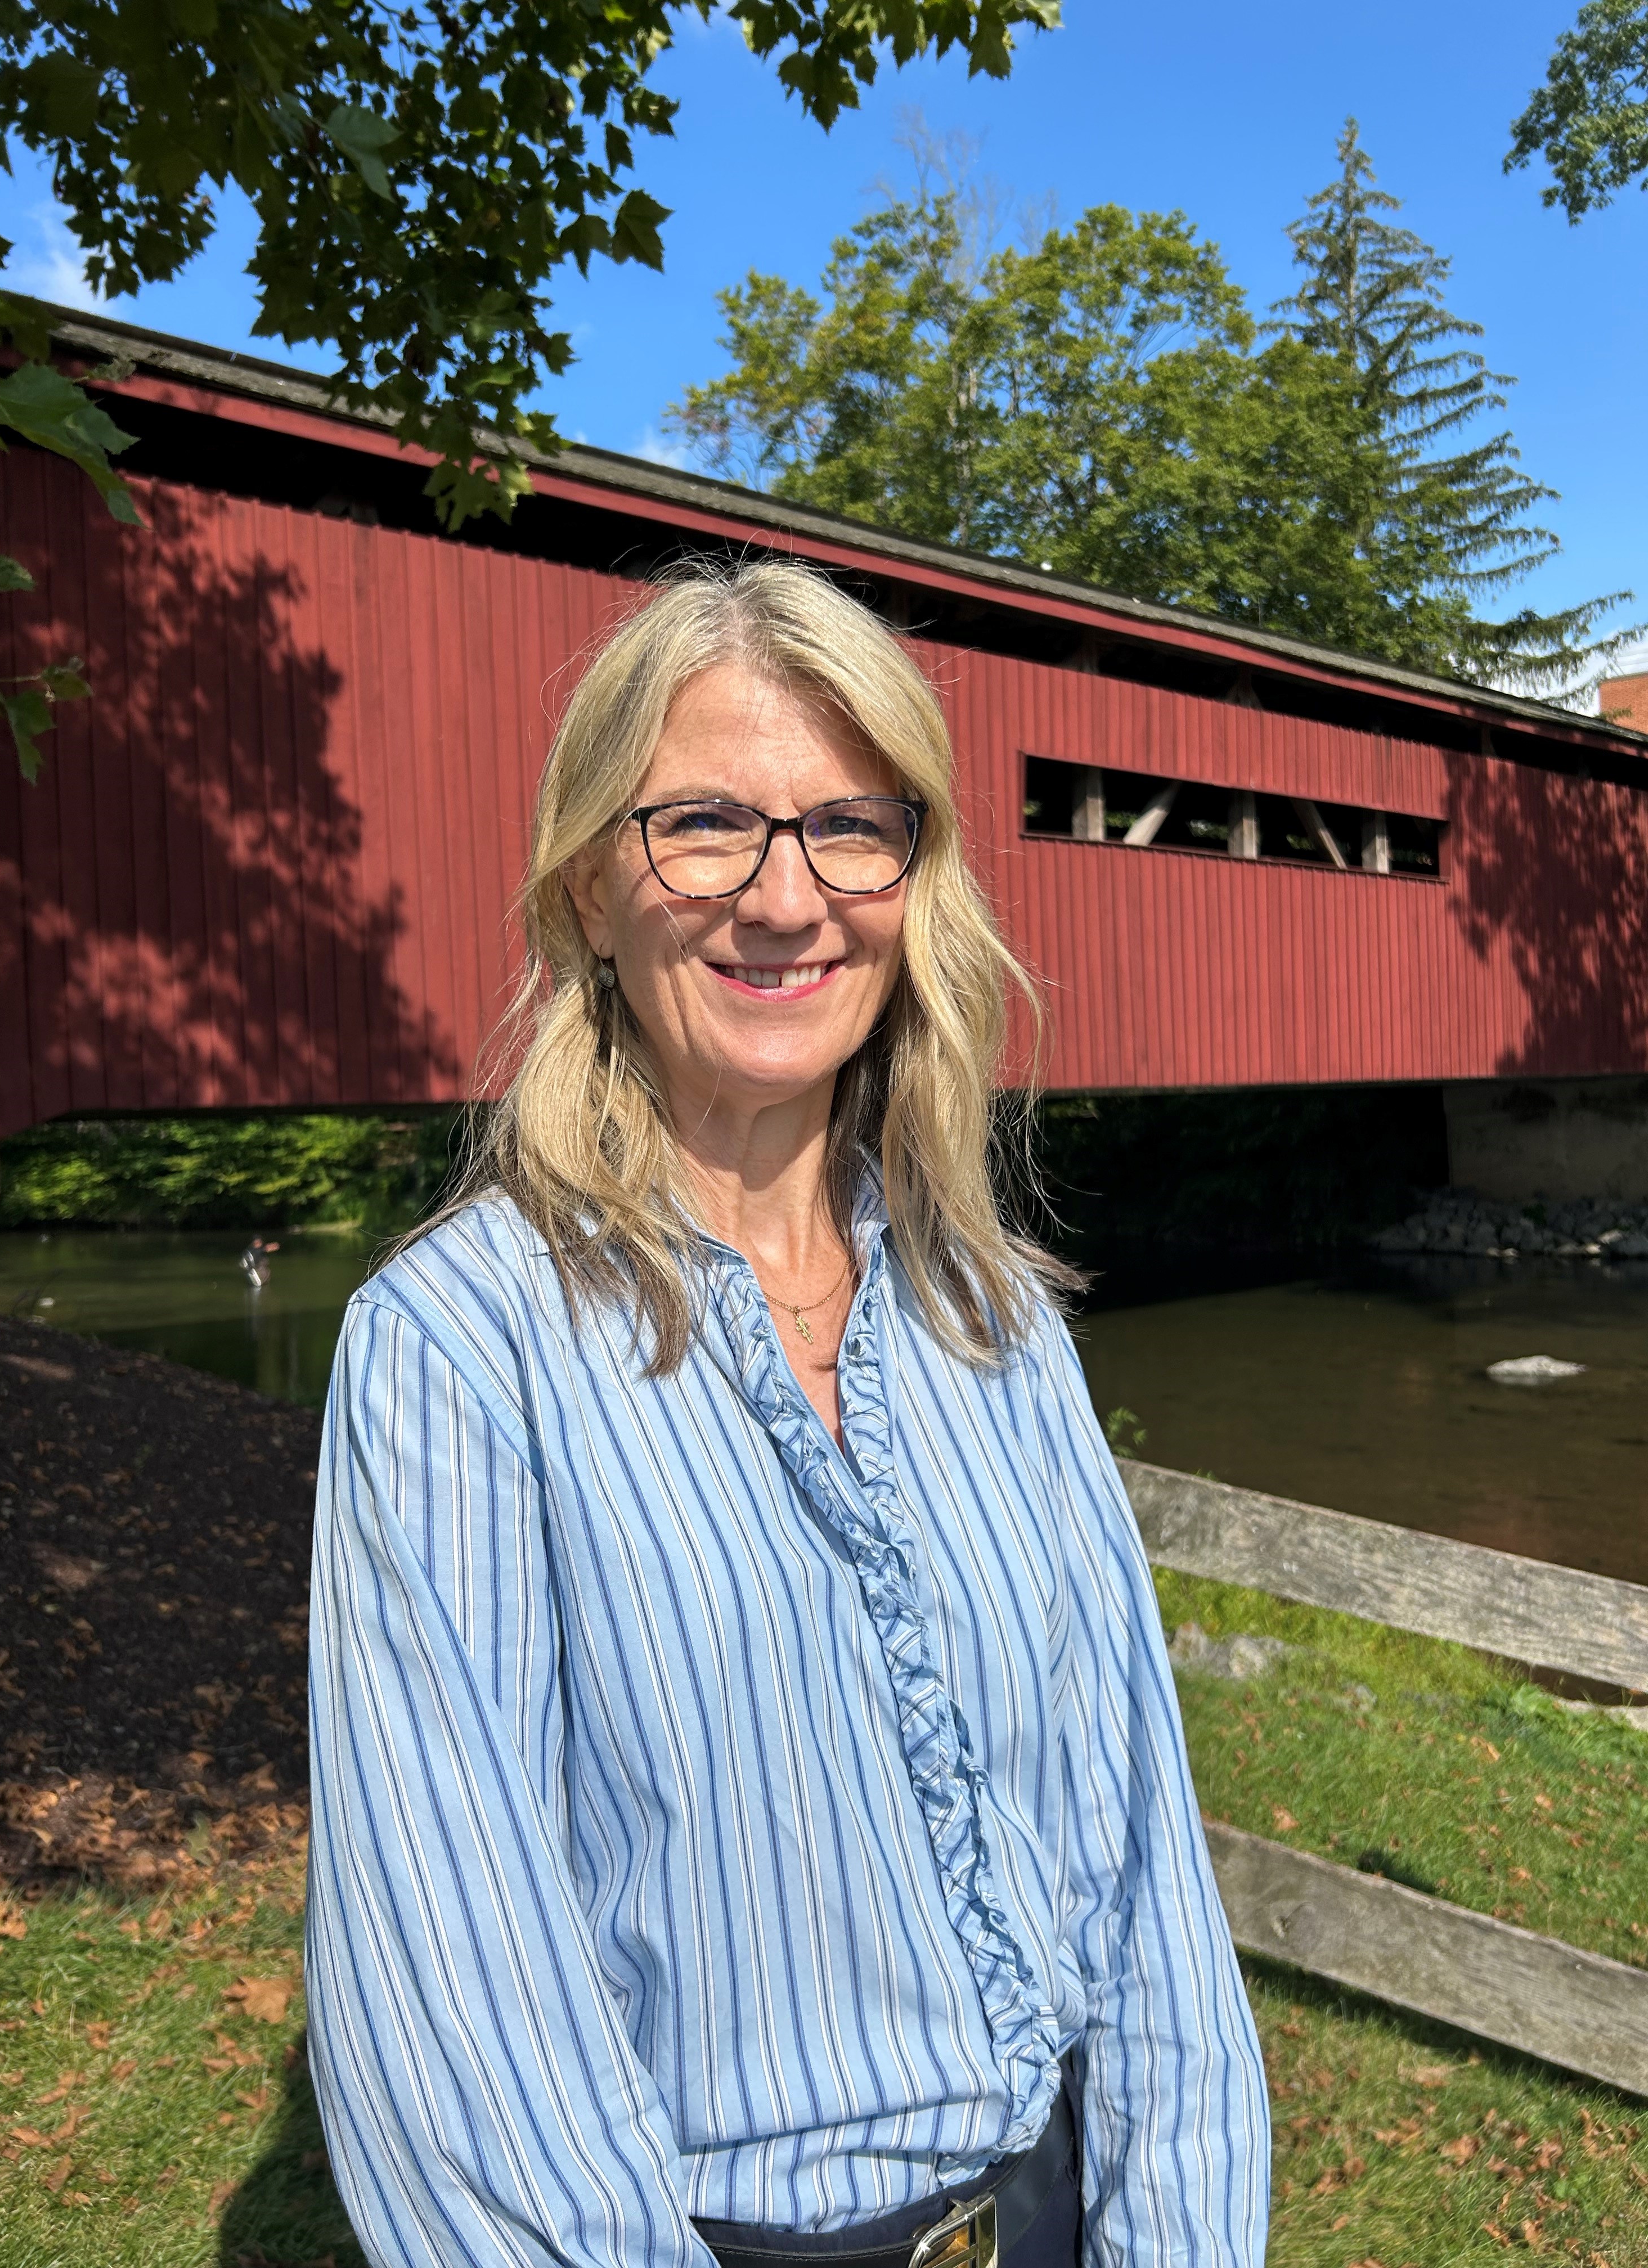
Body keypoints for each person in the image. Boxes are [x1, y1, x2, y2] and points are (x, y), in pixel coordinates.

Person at [305, 560, 1270, 2268]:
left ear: (915, 885)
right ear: (592, 888)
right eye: (705, 826)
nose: (786, 897)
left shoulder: (996, 1318)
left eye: (850, 827)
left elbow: (1144, 1887)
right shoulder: (460, 1352)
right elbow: (459, 2007)